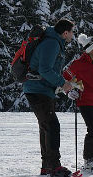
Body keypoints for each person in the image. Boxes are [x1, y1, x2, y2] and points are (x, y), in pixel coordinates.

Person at [23, 19, 75, 177]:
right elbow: (44, 69)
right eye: (72, 32)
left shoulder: (53, 42)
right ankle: (54, 167)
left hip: (42, 90)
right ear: (65, 33)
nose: (73, 35)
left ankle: (47, 167)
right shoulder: (52, 43)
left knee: (46, 127)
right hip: (38, 90)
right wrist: (62, 83)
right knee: (52, 126)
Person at [63, 34, 93, 174]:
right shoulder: (77, 64)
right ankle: (88, 160)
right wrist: (70, 92)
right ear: (89, 49)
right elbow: (64, 79)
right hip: (85, 102)